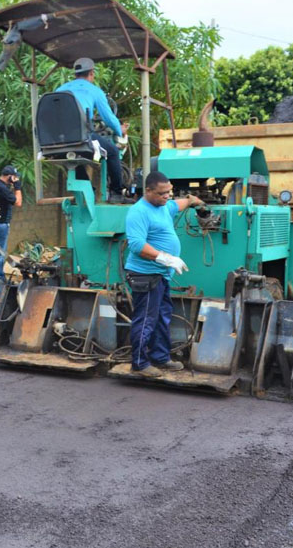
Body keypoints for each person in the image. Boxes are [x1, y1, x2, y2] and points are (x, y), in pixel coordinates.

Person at [124, 171, 204, 377]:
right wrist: (167, 259)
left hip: (160, 276)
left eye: (169, 192)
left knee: (162, 317)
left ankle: (160, 357)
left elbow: (178, 204)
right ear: (148, 191)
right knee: (146, 320)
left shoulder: (164, 206)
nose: (167, 196)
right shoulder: (139, 212)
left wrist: (192, 200)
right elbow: (137, 245)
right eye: (162, 193)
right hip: (145, 275)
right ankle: (140, 364)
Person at [56, 57, 130, 204]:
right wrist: (120, 131)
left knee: (76, 161)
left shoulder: (60, 90)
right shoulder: (94, 91)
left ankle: (87, 190)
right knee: (113, 152)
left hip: (56, 140)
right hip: (81, 137)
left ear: (75, 75)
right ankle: (116, 193)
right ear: (91, 73)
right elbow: (108, 118)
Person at [0, 165, 22, 283]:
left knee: (1, 251)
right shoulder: (1, 188)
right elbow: (18, 202)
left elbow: (10, 199)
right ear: (9, 176)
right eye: (14, 177)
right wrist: (17, 188)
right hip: (1, 224)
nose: (15, 180)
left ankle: (0, 276)